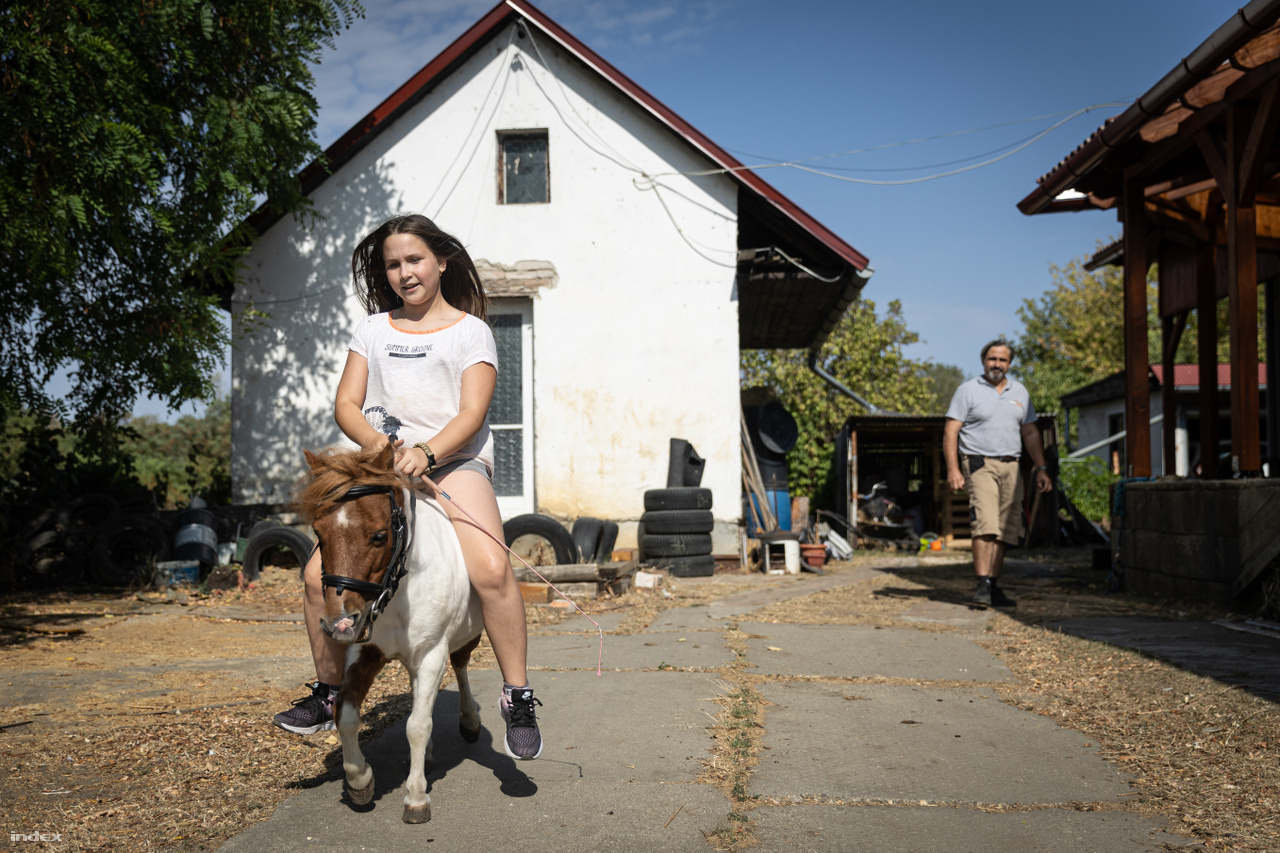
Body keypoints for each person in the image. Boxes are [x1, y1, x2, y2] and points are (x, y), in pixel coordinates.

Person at [271, 214, 543, 761]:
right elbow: (345, 405)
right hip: (381, 468)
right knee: (311, 575)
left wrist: (427, 453)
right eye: (393, 264)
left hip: (453, 465)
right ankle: (327, 693)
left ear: (441, 261)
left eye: (414, 260)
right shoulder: (373, 330)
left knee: (491, 570)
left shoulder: (471, 332)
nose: (404, 273)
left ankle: (517, 695)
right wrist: (383, 448)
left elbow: (473, 412)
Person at [943, 339, 1052, 608]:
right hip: (979, 463)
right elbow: (951, 431)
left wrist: (1041, 468)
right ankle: (982, 585)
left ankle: (992, 585)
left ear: (1010, 364)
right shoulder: (967, 390)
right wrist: (953, 468)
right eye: (992, 359)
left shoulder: (1020, 392)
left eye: (1002, 360)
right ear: (983, 361)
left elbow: (1030, 432)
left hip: (1012, 466)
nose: (997, 364)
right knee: (985, 524)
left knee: (1005, 529)